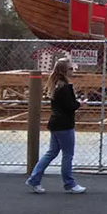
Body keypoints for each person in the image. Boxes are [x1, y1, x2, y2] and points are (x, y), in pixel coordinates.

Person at [25, 57, 87, 194]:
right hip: (65, 124)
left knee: (52, 152)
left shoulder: (56, 85)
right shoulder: (66, 87)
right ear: (64, 71)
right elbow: (70, 106)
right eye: (70, 68)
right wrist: (80, 104)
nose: (73, 70)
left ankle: (34, 179)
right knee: (67, 154)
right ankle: (69, 184)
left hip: (55, 122)